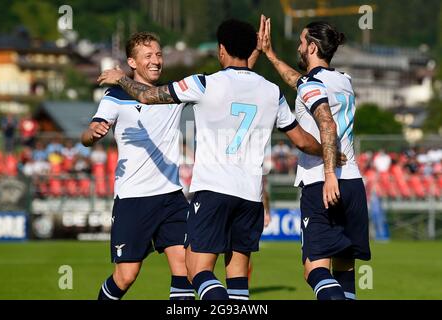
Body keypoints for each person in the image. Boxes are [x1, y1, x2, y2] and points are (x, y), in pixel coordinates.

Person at [98, 19, 345, 300]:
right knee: (238, 277)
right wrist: (331, 153)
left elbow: (147, 95)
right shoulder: (271, 91)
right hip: (250, 197)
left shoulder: (204, 84)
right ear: (252, 49)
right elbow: (301, 140)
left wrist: (120, 78)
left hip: (213, 191)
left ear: (221, 50)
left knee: (197, 272)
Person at [257, 16, 371, 300]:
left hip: (323, 182)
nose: (298, 47)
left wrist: (329, 174)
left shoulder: (312, 83)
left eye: (300, 42)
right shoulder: (343, 80)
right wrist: (271, 56)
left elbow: (327, 125)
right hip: (354, 184)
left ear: (311, 47)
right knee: (344, 269)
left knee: (314, 270)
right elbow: (300, 82)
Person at [82, 32, 194, 300]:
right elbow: (86, 137)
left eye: (158, 54)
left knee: (186, 269)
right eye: (148, 56)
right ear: (132, 62)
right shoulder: (115, 96)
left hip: (171, 197)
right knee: (126, 276)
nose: (156, 61)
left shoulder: (171, 94)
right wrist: (92, 133)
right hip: (133, 199)